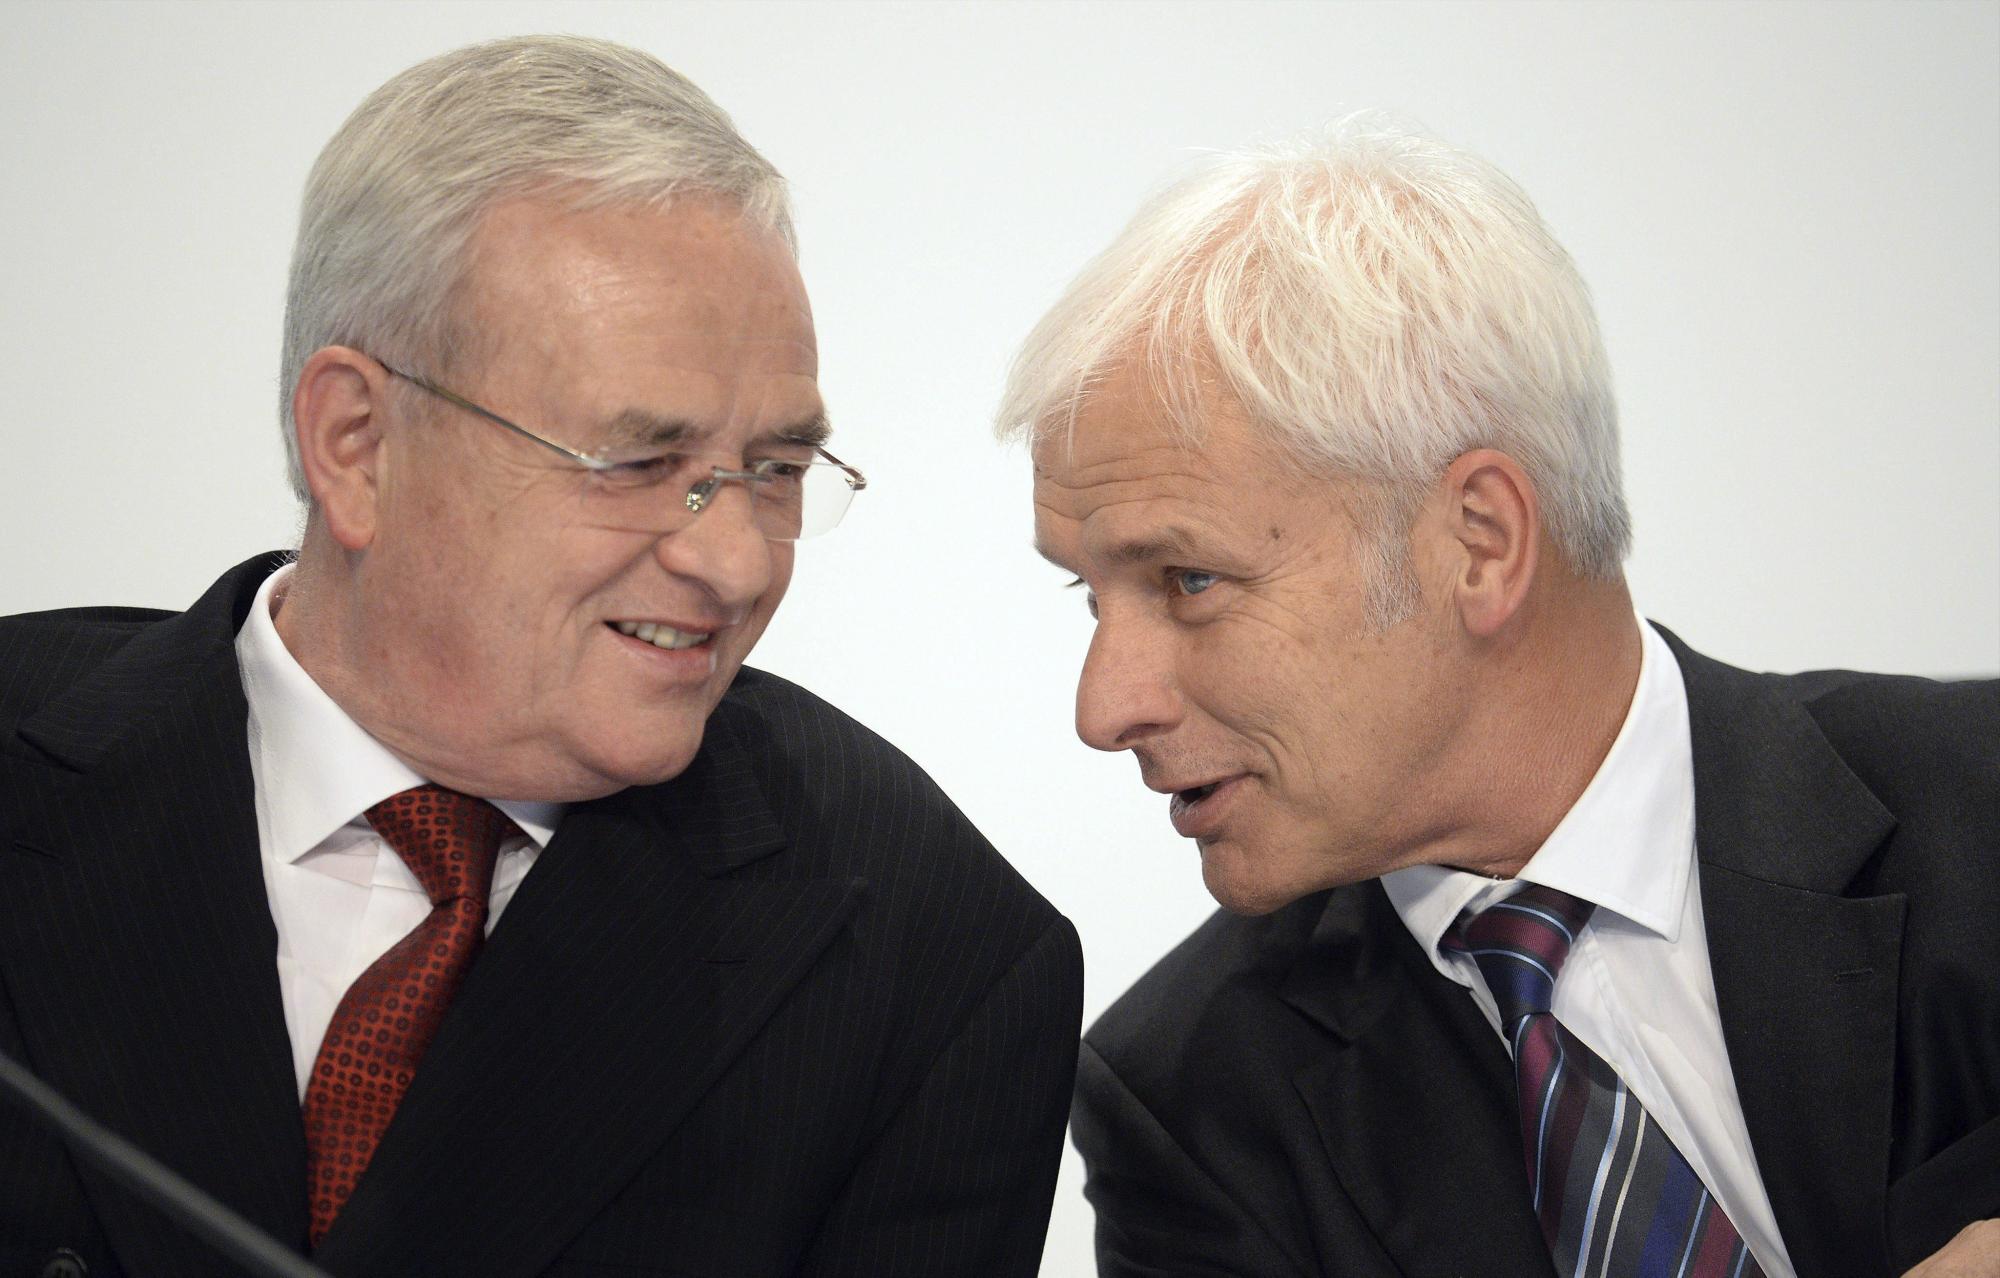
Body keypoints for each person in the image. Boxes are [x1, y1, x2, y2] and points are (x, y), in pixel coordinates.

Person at [0, 35, 1081, 1277]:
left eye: (775, 471)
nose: (735, 564)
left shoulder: (932, 955)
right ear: (358, 444)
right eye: (637, 463)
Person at [999, 118, 1997, 1277]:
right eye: (1091, 598)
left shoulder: (1977, 803)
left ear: (1477, 542)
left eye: (1189, 579)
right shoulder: (1194, 1105)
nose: (1103, 706)